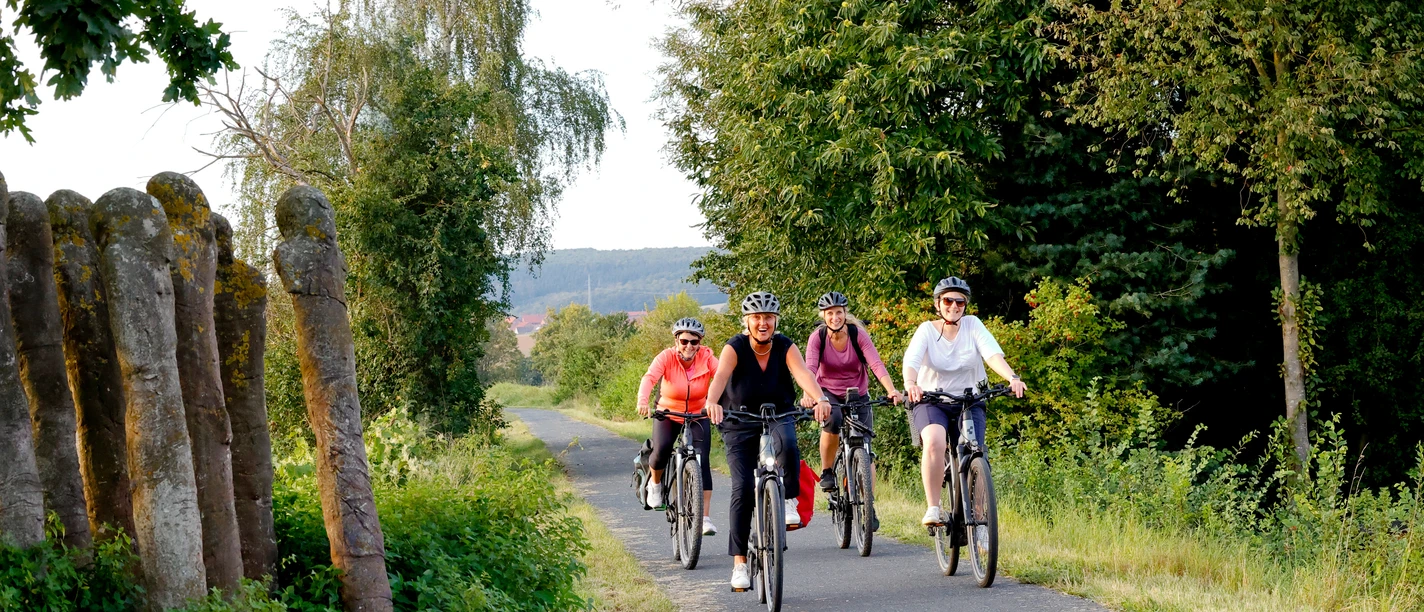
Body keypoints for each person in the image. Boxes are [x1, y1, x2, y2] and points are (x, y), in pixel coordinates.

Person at [706, 291, 832, 590]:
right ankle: (739, 563)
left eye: (768, 318)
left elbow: (802, 373)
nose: (763, 323)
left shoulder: (785, 345)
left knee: (787, 443)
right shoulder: (734, 346)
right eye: (757, 318)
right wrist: (712, 402)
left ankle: (787, 499)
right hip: (739, 420)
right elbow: (720, 376)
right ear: (747, 321)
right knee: (742, 489)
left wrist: (820, 398)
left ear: (776, 321)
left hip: (778, 413)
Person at [902, 277, 1027, 527]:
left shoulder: (972, 325)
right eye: (948, 300)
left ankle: (979, 519)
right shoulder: (926, 330)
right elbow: (912, 361)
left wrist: (1012, 377)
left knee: (974, 452)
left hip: (969, 401)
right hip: (931, 400)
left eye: (960, 302)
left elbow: (992, 355)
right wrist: (911, 383)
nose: (954, 306)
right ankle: (934, 508)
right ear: (938, 304)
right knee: (935, 442)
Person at [800, 292, 902, 498]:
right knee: (833, 420)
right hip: (827, 392)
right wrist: (808, 394)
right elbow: (809, 369)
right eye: (830, 313)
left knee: (865, 446)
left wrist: (891, 390)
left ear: (845, 313)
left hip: (857, 393)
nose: (835, 317)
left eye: (839, 312)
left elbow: (876, 364)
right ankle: (827, 471)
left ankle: (868, 504)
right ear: (823, 316)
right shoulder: (818, 338)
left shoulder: (858, 334)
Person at [637, 317, 719, 536]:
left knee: (702, 460)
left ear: (700, 343)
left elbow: (723, 377)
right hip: (668, 412)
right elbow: (649, 378)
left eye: (694, 341)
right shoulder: (666, 357)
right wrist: (643, 401)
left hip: (698, 413)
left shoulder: (707, 358)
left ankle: (704, 518)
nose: (689, 346)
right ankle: (655, 485)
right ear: (676, 341)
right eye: (684, 341)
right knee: (662, 448)